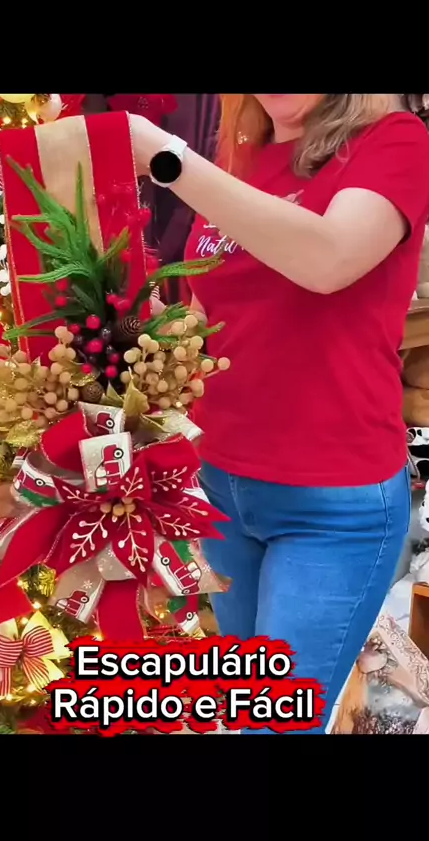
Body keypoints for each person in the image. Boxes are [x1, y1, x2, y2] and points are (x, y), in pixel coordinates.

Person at [128, 94, 429, 734]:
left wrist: (166, 156)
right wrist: (138, 334)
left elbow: (328, 258)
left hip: (332, 502)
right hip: (222, 485)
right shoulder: (246, 158)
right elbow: (213, 314)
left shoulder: (396, 141)